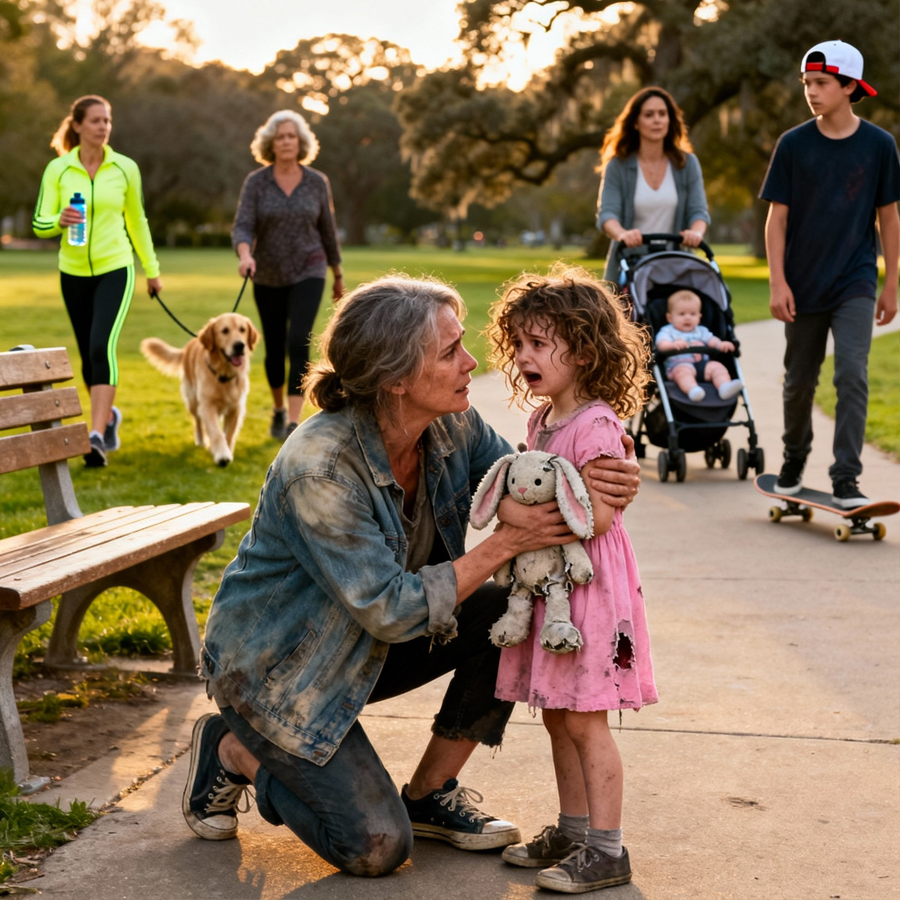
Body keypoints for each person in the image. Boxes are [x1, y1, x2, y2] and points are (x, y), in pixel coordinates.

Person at [180, 275, 642, 877]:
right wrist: (510, 538)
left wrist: (600, 480)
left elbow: (517, 476)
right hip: (283, 671)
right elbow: (392, 608)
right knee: (375, 848)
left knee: (508, 615)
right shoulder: (319, 469)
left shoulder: (451, 425)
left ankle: (429, 794)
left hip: (369, 643)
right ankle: (234, 750)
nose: (472, 361)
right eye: (450, 352)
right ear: (395, 380)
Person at [486, 265, 658, 893]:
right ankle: (574, 828)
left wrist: (518, 512)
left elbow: (600, 515)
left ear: (583, 350)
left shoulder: (597, 425)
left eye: (539, 344)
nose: (525, 356)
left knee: (586, 719)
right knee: (558, 714)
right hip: (552, 587)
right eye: (520, 345)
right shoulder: (543, 421)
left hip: (588, 588)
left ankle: (608, 849)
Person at [761, 41, 899, 508]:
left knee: (852, 375)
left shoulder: (880, 146)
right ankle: (794, 461)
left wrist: (891, 284)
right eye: (808, 83)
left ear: (848, 86)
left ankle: (846, 477)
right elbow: (776, 219)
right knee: (799, 380)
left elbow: (889, 218)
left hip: (855, 282)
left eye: (821, 83)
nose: (812, 92)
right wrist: (778, 282)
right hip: (801, 284)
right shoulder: (794, 144)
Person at [32, 94, 162, 467]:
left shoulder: (125, 168)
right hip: (72, 272)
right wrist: (59, 221)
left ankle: (94, 436)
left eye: (107, 121)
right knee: (87, 358)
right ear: (77, 125)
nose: (103, 127)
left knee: (100, 346)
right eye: (95, 121)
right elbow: (39, 223)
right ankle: (110, 417)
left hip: (115, 267)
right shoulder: (58, 170)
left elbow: (137, 221)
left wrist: (151, 270)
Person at [232, 109, 343, 442]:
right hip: (266, 272)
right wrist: (245, 254)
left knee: (299, 341)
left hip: (309, 268)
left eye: (291, 136)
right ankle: (278, 408)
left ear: (301, 141)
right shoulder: (256, 182)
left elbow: (328, 229)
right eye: (280, 136)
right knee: (275, 346)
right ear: (271, 143)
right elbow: (243, 225)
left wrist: (337, 273)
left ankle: (294, 421)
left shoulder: (316, 182)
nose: (286, 142)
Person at [597, 86, 710, 287]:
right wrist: (623, 234)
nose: (657, 120)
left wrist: (696, 233)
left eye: (662, 114)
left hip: (676, 265)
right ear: (636, 123)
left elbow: (699, 212)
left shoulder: (687, 164)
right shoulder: (618, 165)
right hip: (630, 266)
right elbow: (607, 215)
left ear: (670, 120)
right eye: (649, 115)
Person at [654, 289, 743, 402]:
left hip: (702, 365)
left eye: (693, 314)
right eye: (682, 314)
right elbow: (661, 345)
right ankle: (693, 390)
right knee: (683, 373)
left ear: (699, 317)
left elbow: (712, 340)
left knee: (717, 367)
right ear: (670, 318)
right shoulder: (668, 331)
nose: (687, 317)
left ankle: (724, 387)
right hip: (678, 365)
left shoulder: (701, 331)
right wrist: (672, 345)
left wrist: (720, 344)